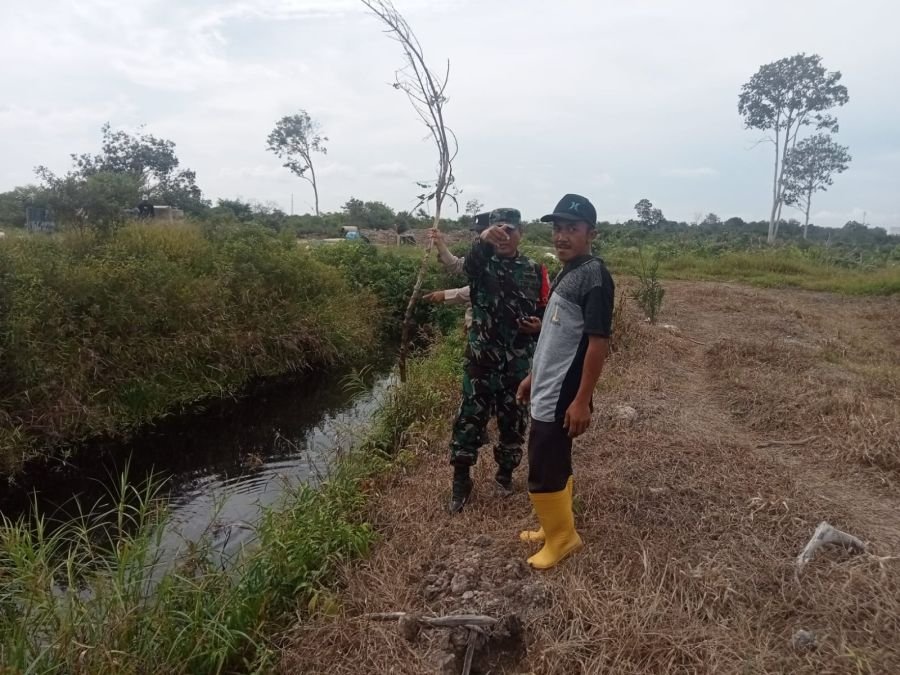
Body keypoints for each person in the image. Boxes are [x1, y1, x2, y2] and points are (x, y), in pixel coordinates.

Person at [516, 193, 614, 569]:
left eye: (571, 228)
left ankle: (562, 539)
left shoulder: (594, 276)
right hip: (547, 384)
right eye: (557, 228)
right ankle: (553, 526)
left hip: (563, 392)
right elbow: (556, 336)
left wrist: (581, 400)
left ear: (591, 233)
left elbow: (597, 341)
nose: (561, 236)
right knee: (556, 460)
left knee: (544, 463)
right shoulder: (569, 270)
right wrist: (531, 376)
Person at [448, 208, 549, 513]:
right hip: (482, 361)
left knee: (513, 422)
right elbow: (467, 266)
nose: (504, 236)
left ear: (522, 233)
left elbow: (545, 308)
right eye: (498, 230)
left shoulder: (534, 269)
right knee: (469, 421)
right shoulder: (480, 264)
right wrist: (482, 241)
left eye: (510, 230)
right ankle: (461, 482)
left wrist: (539, 325)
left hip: (517, 363)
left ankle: (504, 476)